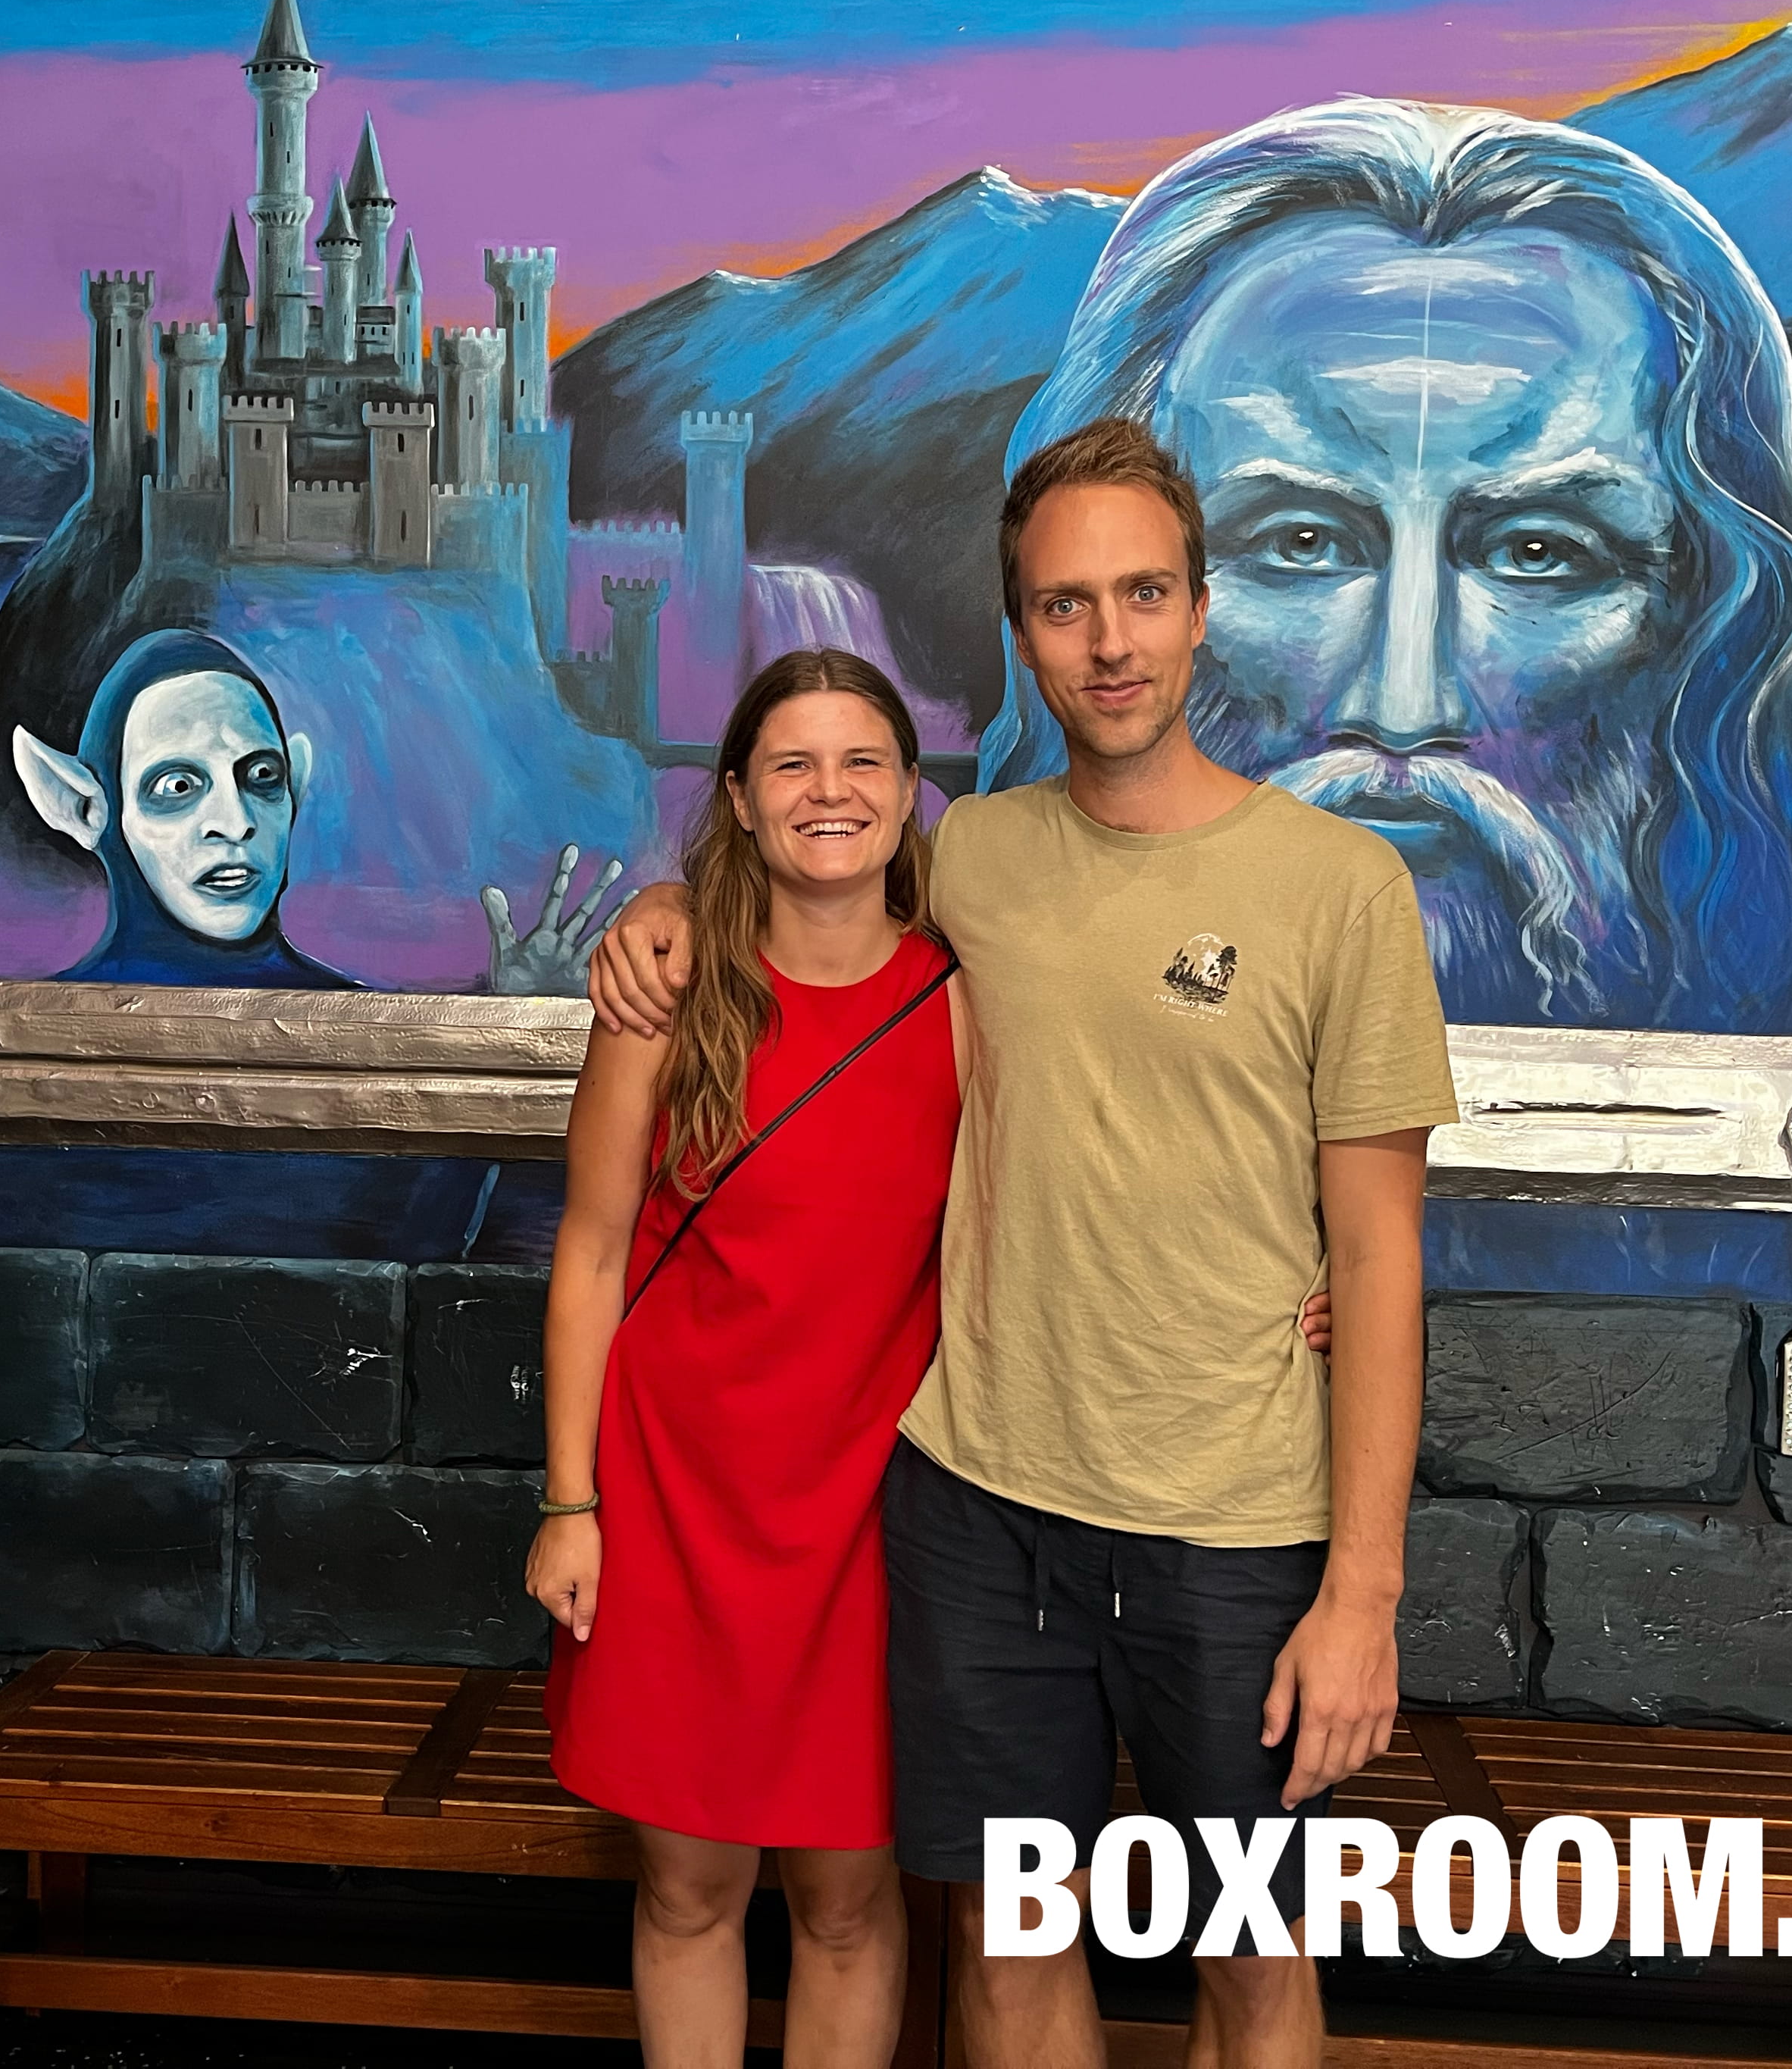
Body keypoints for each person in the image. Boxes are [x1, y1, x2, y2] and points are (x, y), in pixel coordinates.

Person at [977, 95, 1792, 1307]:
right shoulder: (939, 1003)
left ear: (1705, 634)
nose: (1404, 699)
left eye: (1542, 552)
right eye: (1296, 543)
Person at [593, 423, 1459, 2067]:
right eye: (1066, 605)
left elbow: (1380, 1256)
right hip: (981, 1507)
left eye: (1143, 594)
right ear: (1021, 632)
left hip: (1232, 1525)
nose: (1108, 640)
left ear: (1201, 608)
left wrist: (1363, 1591)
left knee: (1249, 1960)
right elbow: (806, 895)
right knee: (1003, 1949)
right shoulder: (970, 857)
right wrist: (664, 911)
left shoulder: (1339, 889)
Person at [531, 648, 962, 2068]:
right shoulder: (666, 993)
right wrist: (570, 1500)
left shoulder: (967, 1001)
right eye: (792, 763)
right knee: (687, 1888)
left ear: (910, 790)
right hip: (674, 1504)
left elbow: (1105, 1185)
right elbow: (594, 1250)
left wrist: (1287, 1290)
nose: (829, 790)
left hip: (872, 1519)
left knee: (848, 1899)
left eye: (861, 760)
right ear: (736, 796)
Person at [0, 627, 621, 1259]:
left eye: (260, 778)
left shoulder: (377, 1039)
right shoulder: (23, 1048)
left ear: (294, 794)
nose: (233, 821)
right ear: (86, 810)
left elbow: (432, 1230)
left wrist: (513, 1038)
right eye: (177, 787)